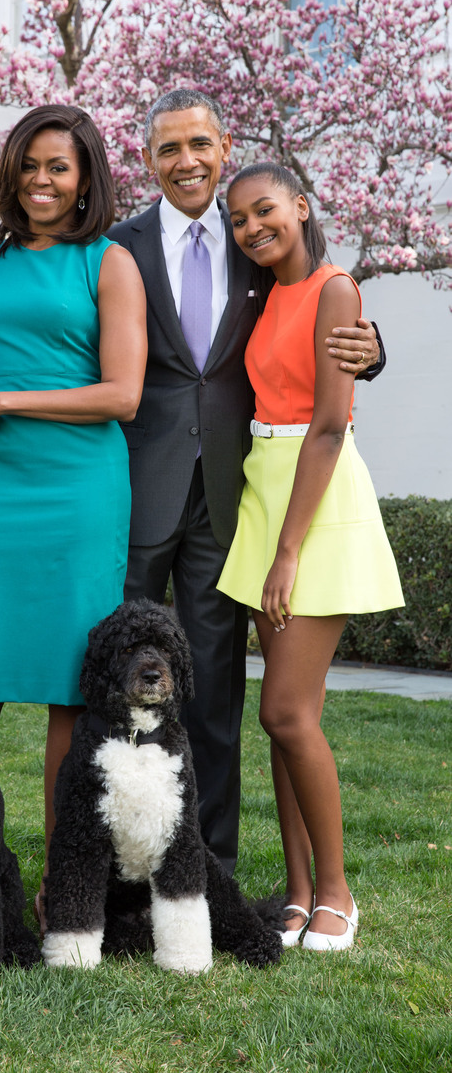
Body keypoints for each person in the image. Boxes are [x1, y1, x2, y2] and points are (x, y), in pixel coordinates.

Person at [107, 89, 384, 873]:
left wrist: (372, 346)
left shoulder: (254, 238)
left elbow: (319, 314)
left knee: (216, 691)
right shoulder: (119, 247)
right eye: (168, 148)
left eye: (198, 144)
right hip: (137, 487)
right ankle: (119, 860)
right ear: (149, 160)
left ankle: (211, 869)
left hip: (234, 499)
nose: (185, 161)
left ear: (224, 148)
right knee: (113, 680)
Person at [0, 105, 146, 927]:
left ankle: (64, 893)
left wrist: (4, 398)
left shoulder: (111, 262)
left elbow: (122, 394)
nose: (40, 180)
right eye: (28, 164)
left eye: (58, 166)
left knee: (73, 690)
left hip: (79, 490)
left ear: (87, 176)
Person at [217, 162, 403, 949]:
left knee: (284, 710)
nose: (253, 228)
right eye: (238, 220)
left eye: (265, 211)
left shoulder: (336, 287)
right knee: (288, 719)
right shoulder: (263, 293)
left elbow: (329, 424)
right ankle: (295, 892)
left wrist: (287, 552)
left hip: (313, 497)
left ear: (301, 205)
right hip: (264, 486)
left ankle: (336, 891)